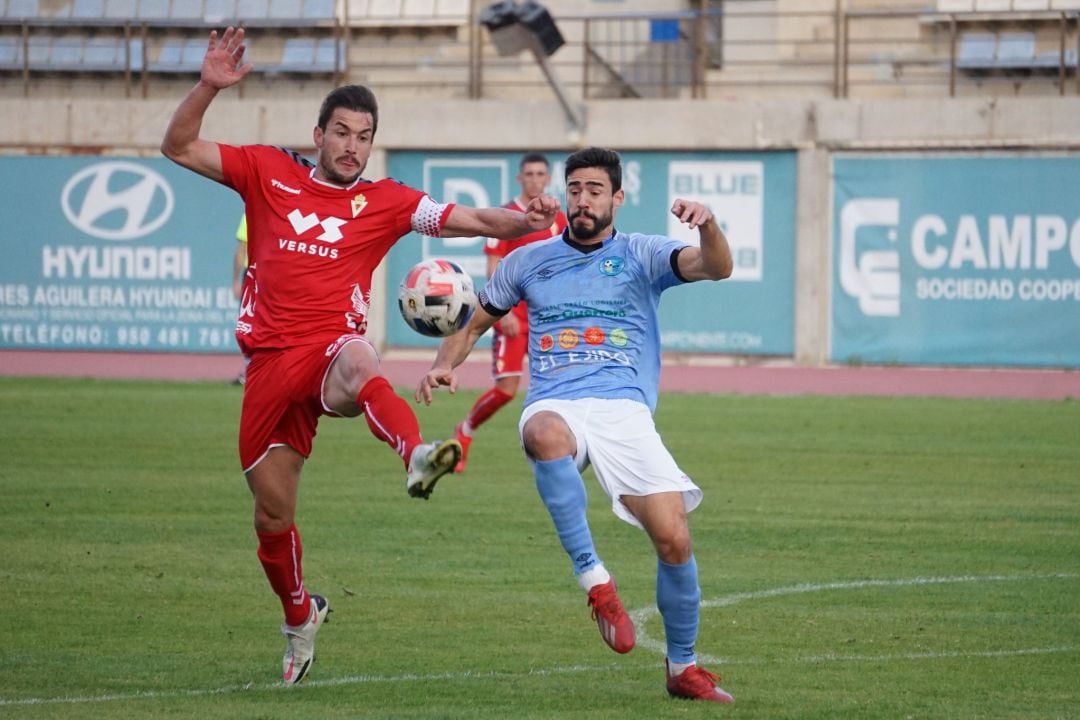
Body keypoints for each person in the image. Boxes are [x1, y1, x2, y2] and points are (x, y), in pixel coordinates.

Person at [160, 27, 560, 686]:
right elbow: (176, 146)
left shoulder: (389, 202)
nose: (353, 146)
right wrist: (209, 86)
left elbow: (482, 222)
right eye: (342, 132)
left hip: (329, 351)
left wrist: (533, 218)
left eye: (364, 136)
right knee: (271, 515)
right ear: (319, 134)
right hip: (267, 366)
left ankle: (416, 456)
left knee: (358, 360)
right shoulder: (267, 172)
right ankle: (299, 615)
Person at [416, 147, 736, 704]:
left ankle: (682, 668)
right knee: (543, 435)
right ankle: (597, 583)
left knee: (675, 539)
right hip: (557, 401)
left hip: (625, 412)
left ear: (616, 198)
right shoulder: (528, 261)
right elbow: (473, 325)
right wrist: (445, 363)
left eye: (594, 190)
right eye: (575, 188)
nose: (582, 199)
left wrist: (708, 225)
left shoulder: (642, 254)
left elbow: (717, 267)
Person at [453, 153, 568, 472]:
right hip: (513, 315)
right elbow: (493, 266)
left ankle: (560, 447)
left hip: (548, 316)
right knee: (506, 390)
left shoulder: (560, 219)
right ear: (520, 178)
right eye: (529, 173)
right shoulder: (505, 217)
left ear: (548, 179)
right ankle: (464, 431)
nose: (534, 179)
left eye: (540, 174)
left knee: (562, 384)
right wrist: (502, 313)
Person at [231, 213, 249, 385]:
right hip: (273, 271)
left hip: (253, 272)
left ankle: (249, 371)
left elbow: (241, 249)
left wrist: (235, 281)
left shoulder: (251, 211)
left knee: (248, 324)